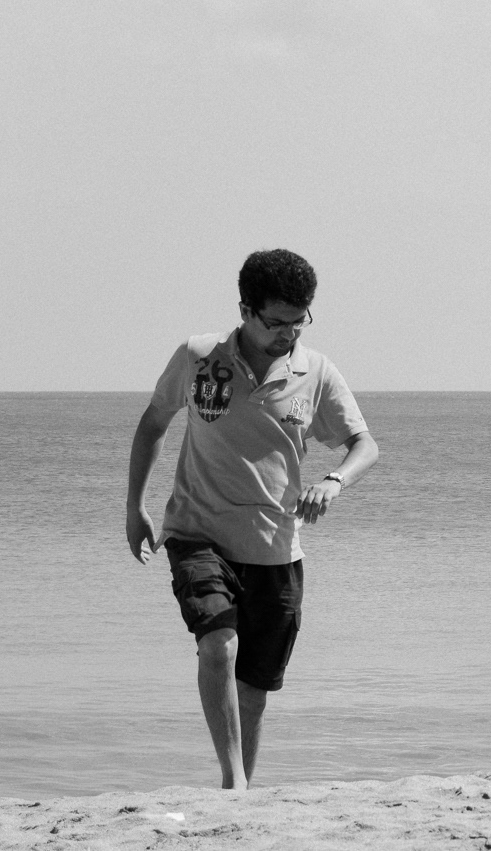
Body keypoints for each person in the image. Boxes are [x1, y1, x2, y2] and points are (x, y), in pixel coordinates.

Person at [125, 248, 379, 790]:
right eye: (277, 321)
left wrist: (334, 481)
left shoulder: (317, 372)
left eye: (299, 320)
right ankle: (234, 782)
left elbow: (364, 445)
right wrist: (135, 507)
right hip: (197, 533)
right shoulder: (198, 357)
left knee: (255, 688)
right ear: (245, 309)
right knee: (218, 641)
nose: (289, 333)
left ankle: (241, 795)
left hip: (276, 550)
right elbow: (153, 424)